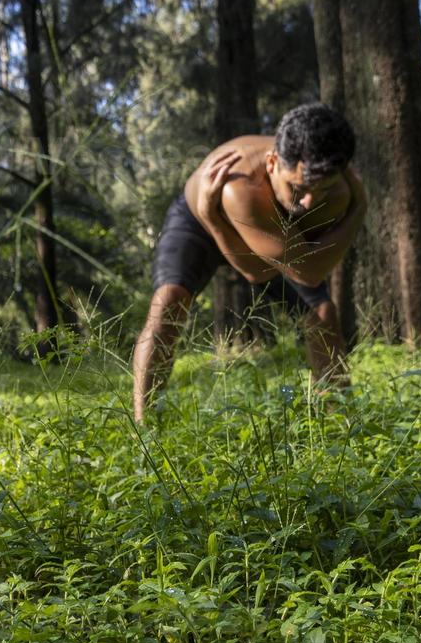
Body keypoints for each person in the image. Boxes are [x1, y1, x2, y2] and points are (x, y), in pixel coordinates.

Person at [131, 102, 367, 423]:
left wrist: (352, 205)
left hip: (271, 233)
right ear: (272, 163)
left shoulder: (334, 192)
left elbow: (306, 272)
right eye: (298, 189)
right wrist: (212, 219)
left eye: (321, 189)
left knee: (323, 315)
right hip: (200, 219)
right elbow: (258, 271)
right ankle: (145, 427)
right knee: (168, 302)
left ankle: (342, 422)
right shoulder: (239, 186)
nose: (309, 202)